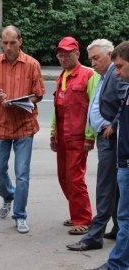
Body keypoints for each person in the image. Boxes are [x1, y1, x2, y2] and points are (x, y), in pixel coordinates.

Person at [0, 25, 45, 234]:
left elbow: (39, 94)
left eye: (12, 43)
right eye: (5, 43)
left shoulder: (32, 64)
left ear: (20, 42)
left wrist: (24, 101)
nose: (8, 47)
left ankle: (20, 215)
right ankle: (8, 195)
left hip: (25, 124)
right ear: (0, 42)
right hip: (0, 124)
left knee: (22, 173)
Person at [67, 39, 127, 251]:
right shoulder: (104, 75)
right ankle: (119, 228)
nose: (92, 63)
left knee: (105, 187)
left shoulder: (116, 75)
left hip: (111, 140)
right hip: (104, 138)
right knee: (114, 187)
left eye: (96, 58)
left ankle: (94, 237)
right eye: (90, 58)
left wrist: (115, 124)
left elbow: (125, 100)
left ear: (109, 55)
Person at [50, 36, 100, 235]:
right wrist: (53, 134)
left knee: (75, 178)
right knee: (64, 177)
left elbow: (93, 107)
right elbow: (57, 109)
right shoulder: (62, 76)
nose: (63, 58)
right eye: (60, 55)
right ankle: (77, 211)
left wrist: (90, 136)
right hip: (62, 137)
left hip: (78, 137)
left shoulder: (89, 75)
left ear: (77, 54)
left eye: (67, 54)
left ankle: (83, 219)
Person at [92, 40, 129, 270]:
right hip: (123, 162)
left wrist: (112, 125)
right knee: (124, 219)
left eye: (120, 66)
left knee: (125, 220)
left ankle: (117, 264)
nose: (116, 72)